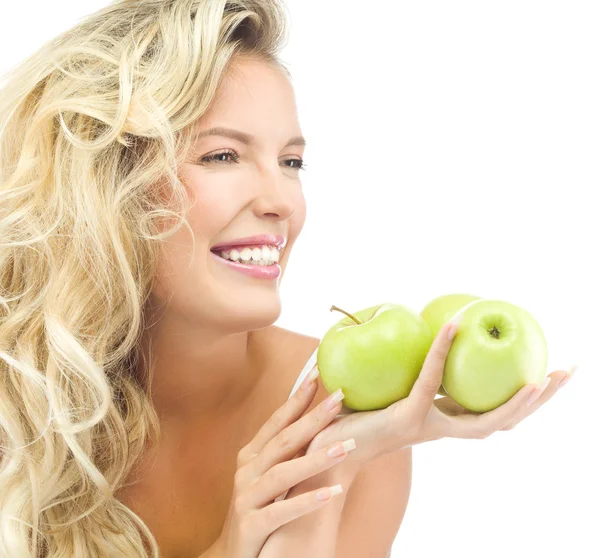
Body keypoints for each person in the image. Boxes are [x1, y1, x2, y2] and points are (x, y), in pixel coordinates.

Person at [0, 0, 574, 557]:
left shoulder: (351, 417)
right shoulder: (15, 400)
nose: (281, 202)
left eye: (291, 163)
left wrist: (328, 467)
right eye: (223, 156)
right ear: (102, 187)